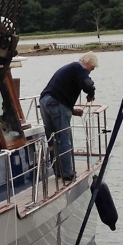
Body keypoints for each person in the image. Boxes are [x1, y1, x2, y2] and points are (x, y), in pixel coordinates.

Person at [39, 52, 97, 182]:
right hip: (55, 102)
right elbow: (87, 84)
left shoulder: (71, 69)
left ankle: (58, 171)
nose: (90, 72)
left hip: (45, 102)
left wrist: (71, 110)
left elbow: (61, 91)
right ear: (88, 63)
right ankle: (67, 173)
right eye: (91, 69)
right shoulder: (79, 68)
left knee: (53, 139)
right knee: (63, 138)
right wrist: (91, 94)